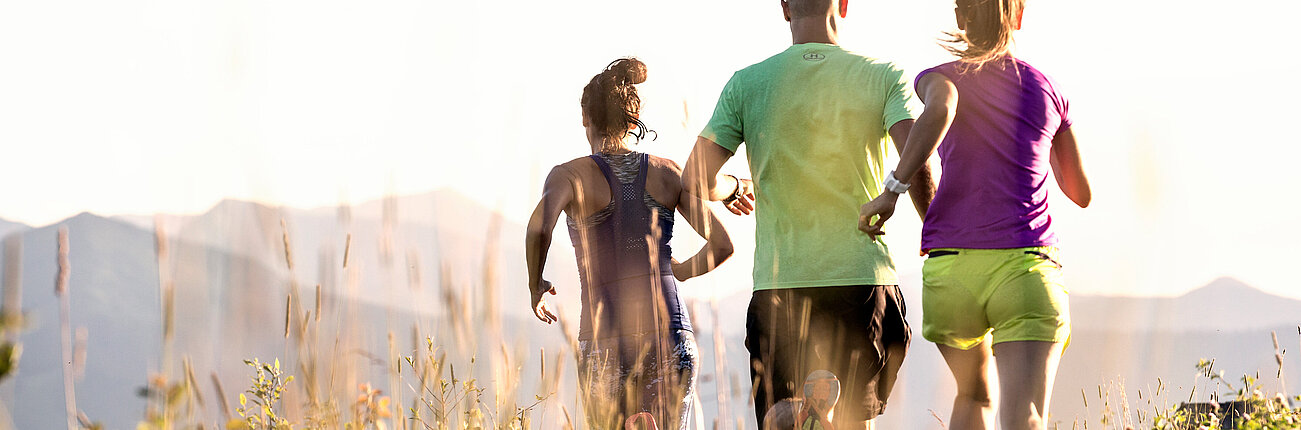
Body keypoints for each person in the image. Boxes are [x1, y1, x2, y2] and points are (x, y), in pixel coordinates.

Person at [681, 1, 935, 428]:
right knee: (854, 420)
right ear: (844, 4)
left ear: (785, 8)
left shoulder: (747, 83)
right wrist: (938, 233)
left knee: (782, 419)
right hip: (861, 278)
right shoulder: (881, 76)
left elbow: (695, 179)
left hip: (781, 286)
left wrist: (735, 188)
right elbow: (917, 157)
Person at [857, 0, 1092, 428]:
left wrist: (892, 191)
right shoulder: (1048, 90)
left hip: (952, 273)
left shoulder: (939, 79)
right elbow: (1080, 193)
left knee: (973, 396)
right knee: (1024, 414)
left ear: (960, 17)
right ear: (1018, 16)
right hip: (1024, 267)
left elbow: (941, 109)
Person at [525, 58, 734, 430]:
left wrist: (535, 284)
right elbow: (722, 245)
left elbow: (540, 229)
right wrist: (681, 271)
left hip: (605, 339)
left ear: (585, 117)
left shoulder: (569, 176)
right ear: (633, 119)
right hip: (671, 335)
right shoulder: (668, 173)